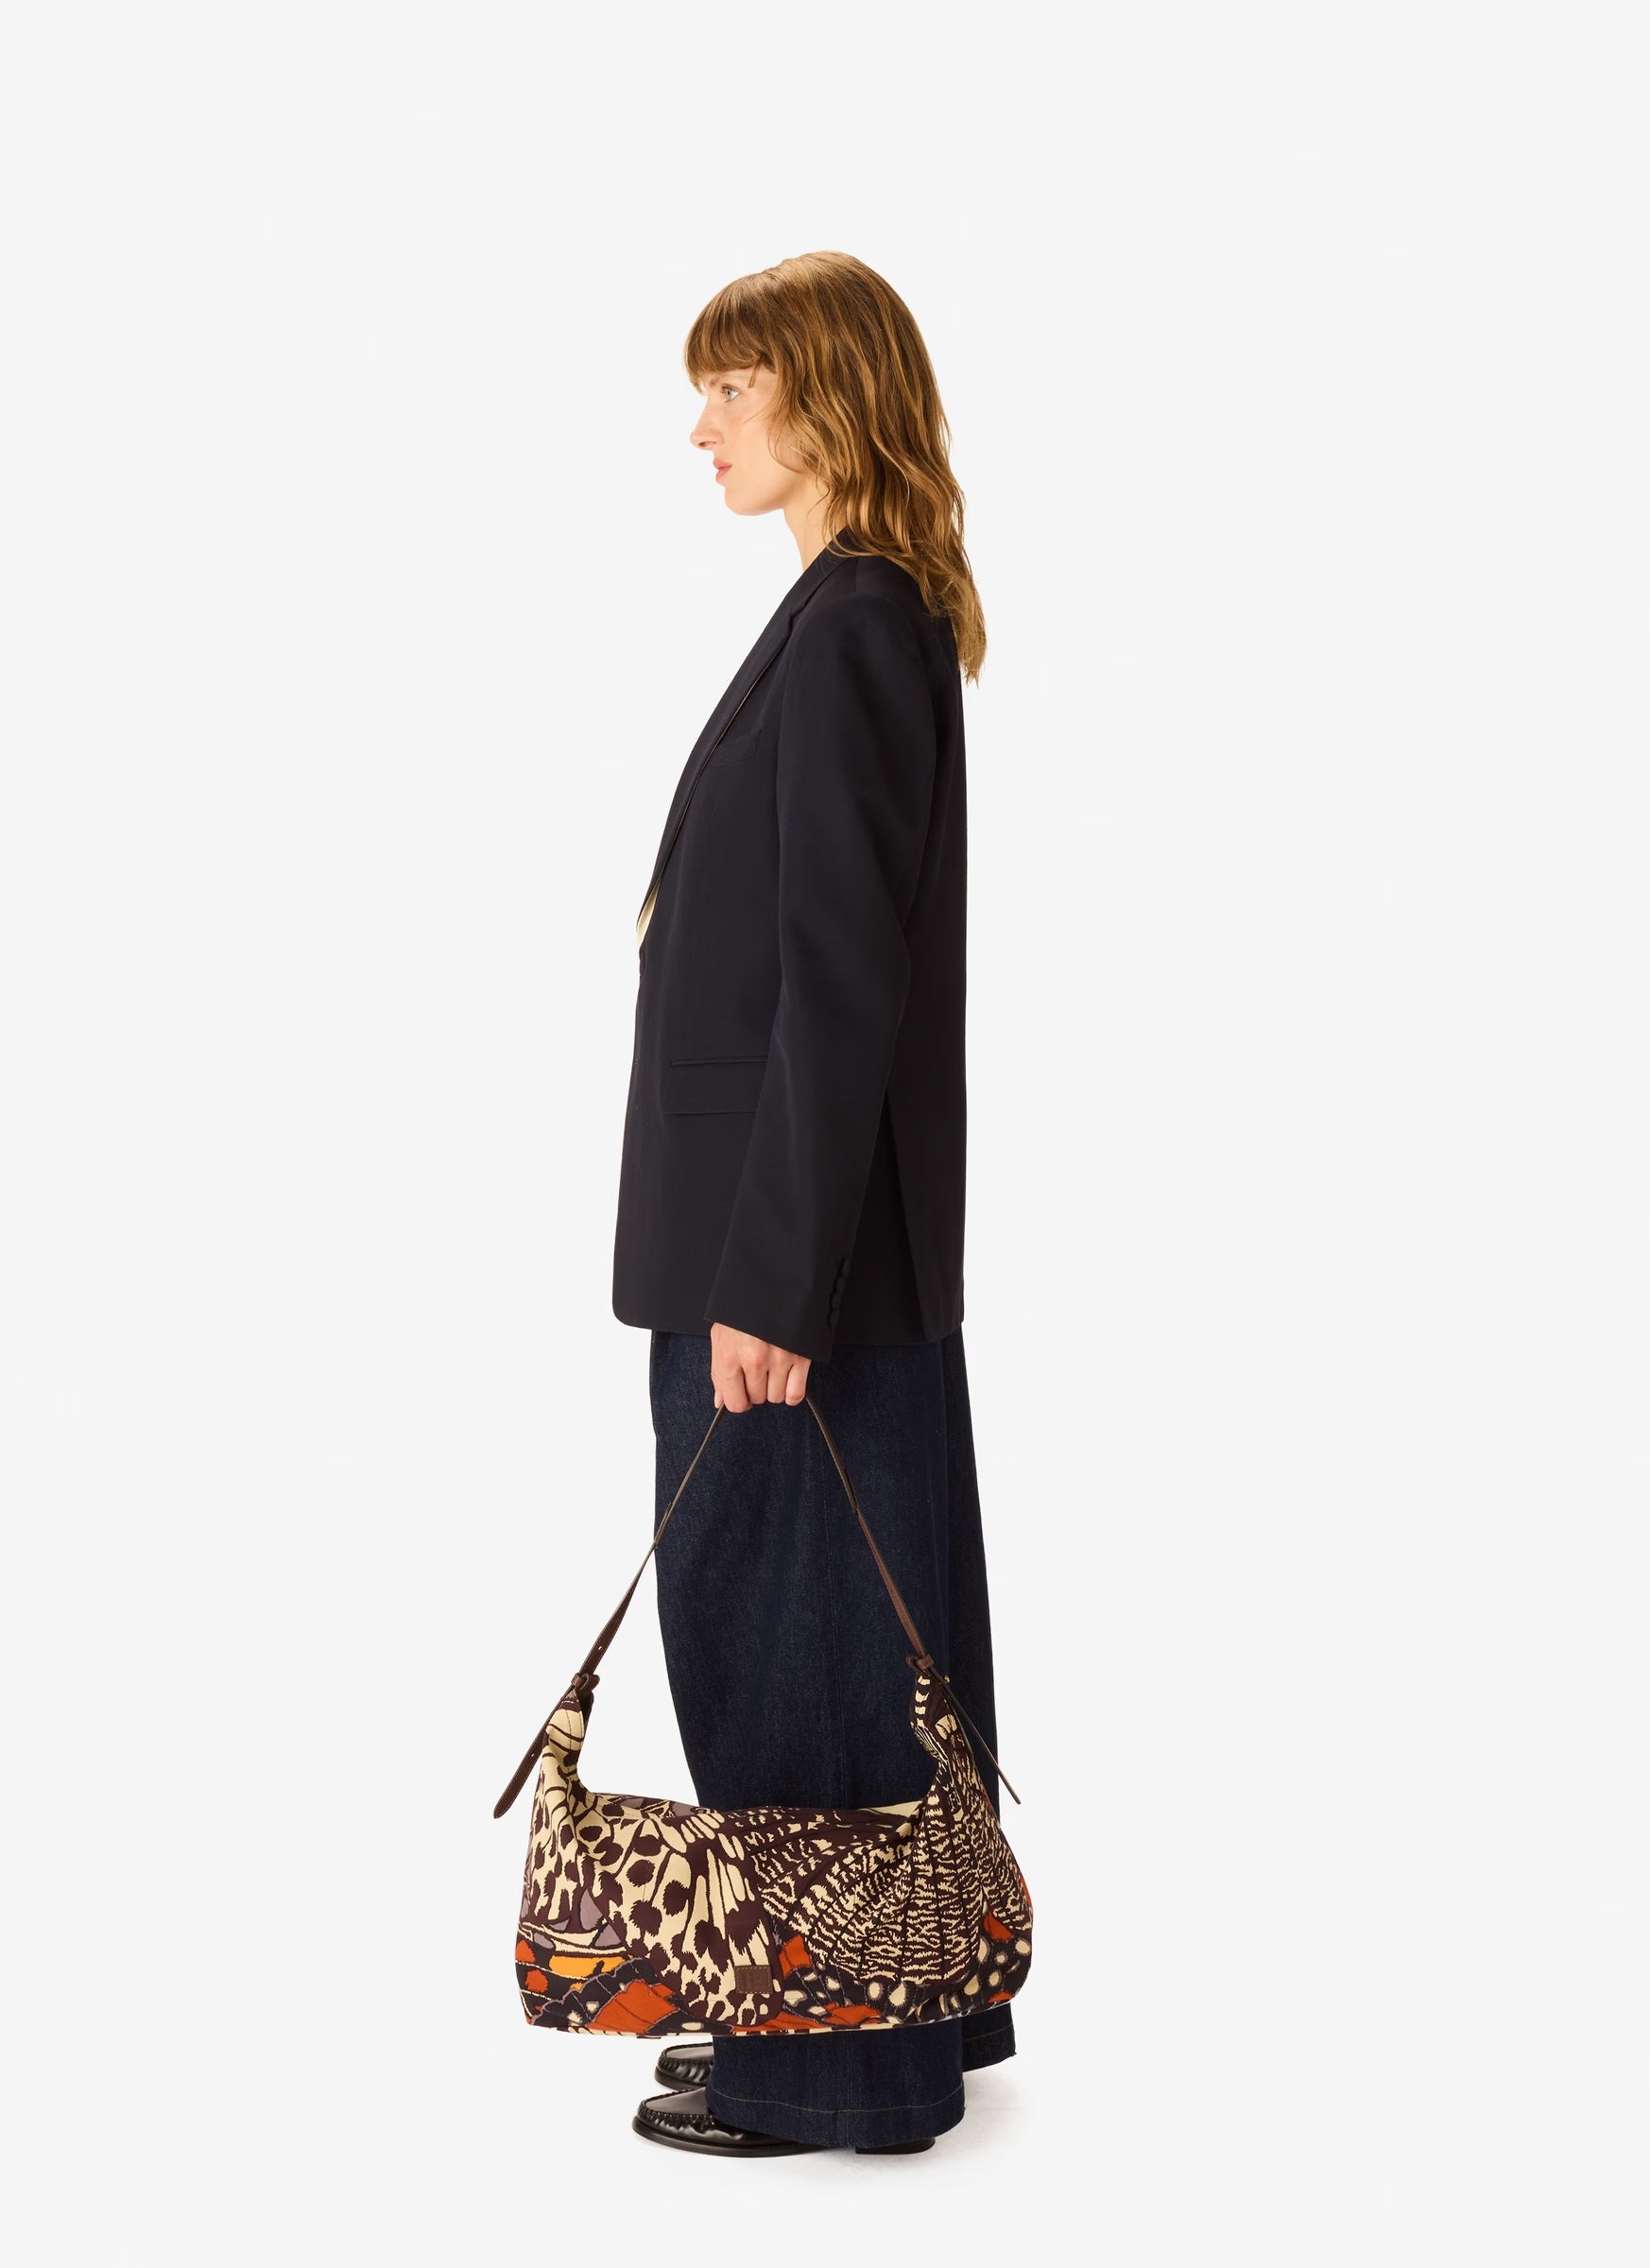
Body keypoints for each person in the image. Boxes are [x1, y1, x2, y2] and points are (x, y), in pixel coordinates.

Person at [610, 252, 1011, 2157]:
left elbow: (838, 990)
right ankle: (895, 2024)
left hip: (790, 1273)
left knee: (793, 1654)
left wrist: (771, 1282)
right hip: (818, 1254)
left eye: (733, 388)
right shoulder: (858, 612)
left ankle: (831, 2064)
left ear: (824, 400)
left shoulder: (854, 626)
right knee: (860, 1641)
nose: (702, 427)